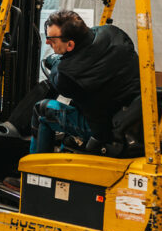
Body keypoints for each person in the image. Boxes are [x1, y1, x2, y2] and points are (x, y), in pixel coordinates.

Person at [30, 10, 141, 154]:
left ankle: (37, 164)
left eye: (52, 40)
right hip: (132, 114)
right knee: (76, 103)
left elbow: (58, 78)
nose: (47, 42)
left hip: (102, 129)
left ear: (70, 45)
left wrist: (55, 61)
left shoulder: (67, 73)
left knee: (41, 110)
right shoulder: (114, 32)